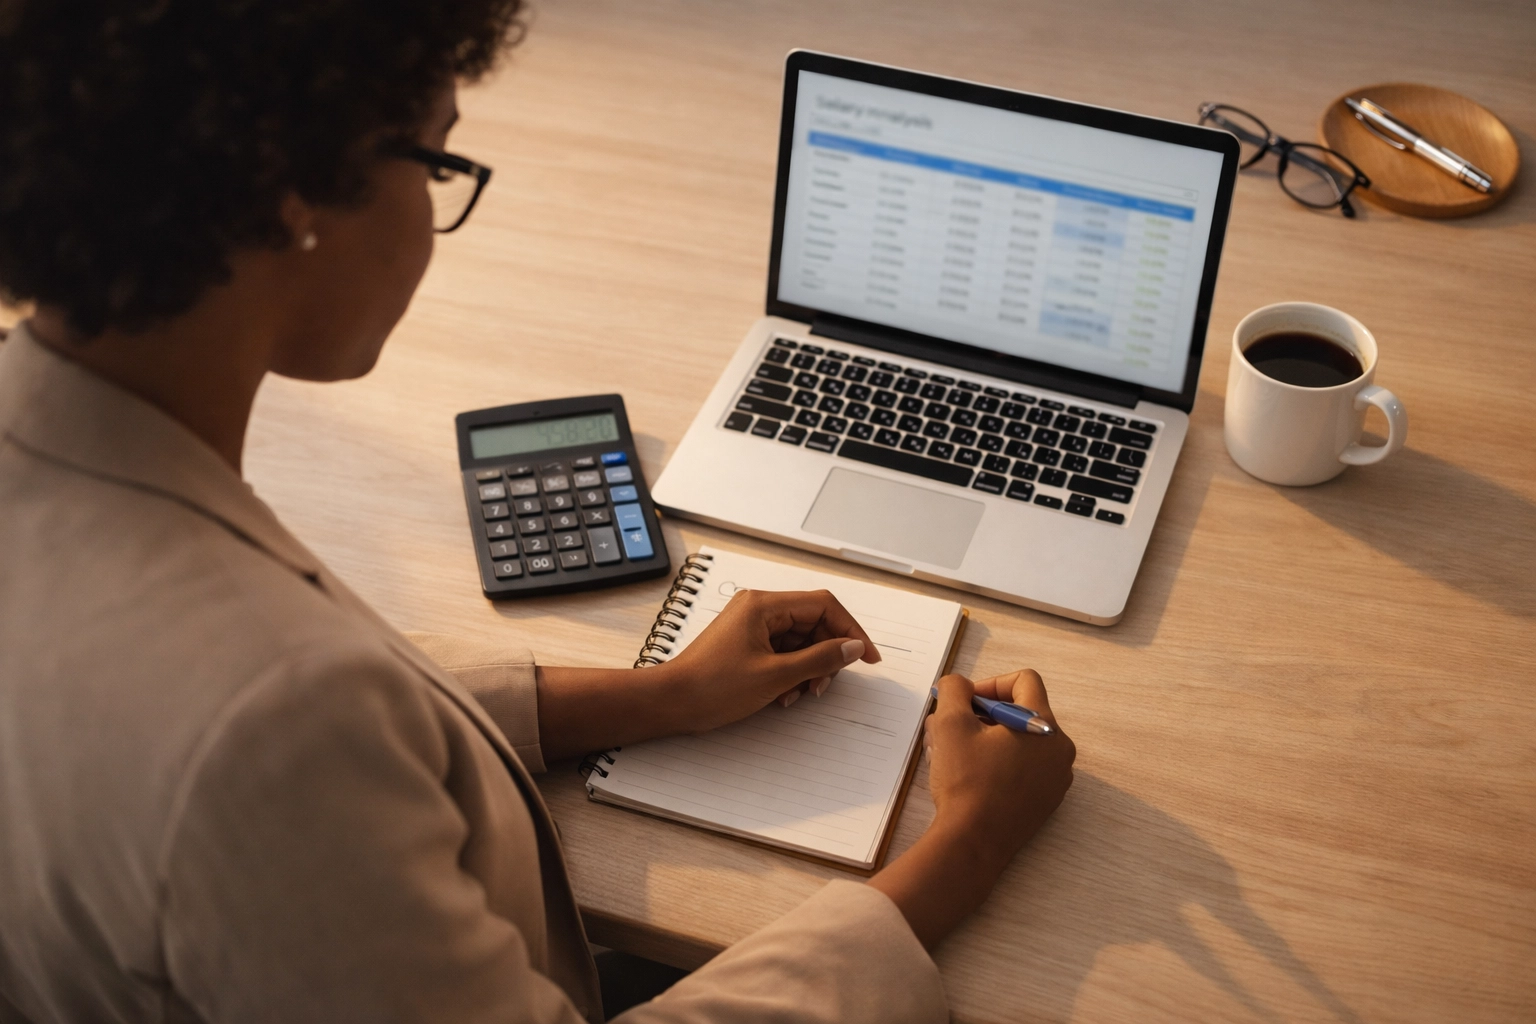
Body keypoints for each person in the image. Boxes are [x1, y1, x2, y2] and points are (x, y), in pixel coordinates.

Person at [0, 3, 1076, 1021]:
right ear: (292, 191)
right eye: (435, 160)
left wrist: (655, 698)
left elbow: (342, 746)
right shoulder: (268, 732)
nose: (434, 211)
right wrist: (970, 841)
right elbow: (294, 742)